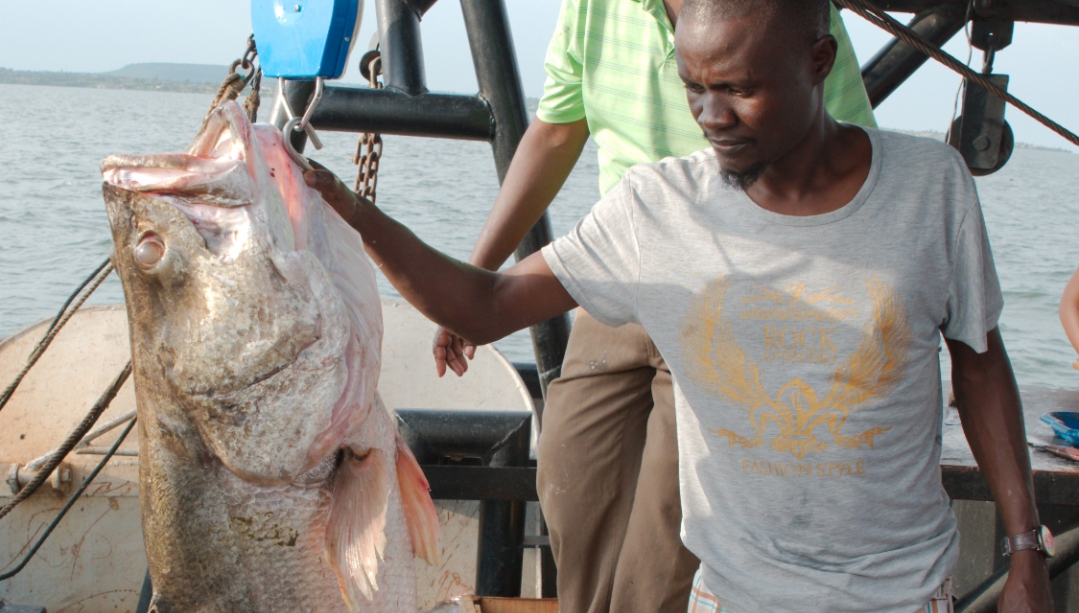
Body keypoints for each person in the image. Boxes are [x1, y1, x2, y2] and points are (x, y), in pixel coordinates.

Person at [304, 0, 1054, 610]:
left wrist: (1023, 550)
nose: (710, 113)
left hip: (902, 593)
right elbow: (488, 304)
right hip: (733, 596)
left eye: (737, 88)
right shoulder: (658, 207)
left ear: (817, 64)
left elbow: (981, 364)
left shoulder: (930, 186)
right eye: (694, 86)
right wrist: (355, 214)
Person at [430, 0, 875, 610]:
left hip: (735, 301)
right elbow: (557, 129)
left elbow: (847, 154)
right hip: (621, 281)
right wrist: (477, 275)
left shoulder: (785, 15)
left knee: (670, 531)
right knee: (570, 479)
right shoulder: (592, 8)